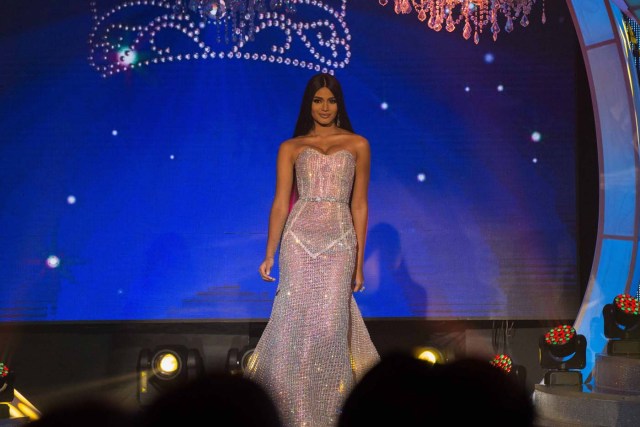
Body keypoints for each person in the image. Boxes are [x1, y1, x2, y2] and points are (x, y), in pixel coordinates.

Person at [245, 72, 380, 427]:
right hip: (298, 239)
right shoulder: (291, 147)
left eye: (331, 100)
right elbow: (279, 204)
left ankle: (329, 412)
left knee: (330, 326)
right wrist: (269, 252)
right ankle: (293, 414)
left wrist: (359, 264)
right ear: (309, 104)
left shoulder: (358, 145)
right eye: (318, 100)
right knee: (293, 323)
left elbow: (360, 205)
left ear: (339, 104)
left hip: (339, 240)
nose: (324, 107)